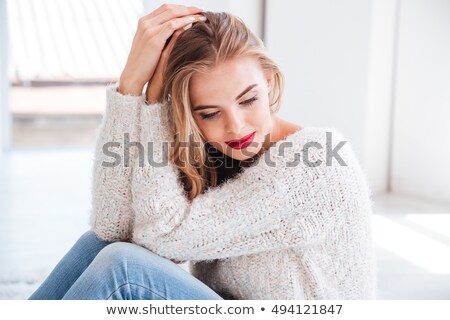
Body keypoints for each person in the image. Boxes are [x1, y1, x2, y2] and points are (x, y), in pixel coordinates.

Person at [29, 4, 376, 300]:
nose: (237, 128)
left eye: (249, 99)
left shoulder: (317, 161)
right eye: (209, 113)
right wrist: (130, 88)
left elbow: (162, 238)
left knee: (123, 269)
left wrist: (151, 105)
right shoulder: (210, 153)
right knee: (98, 247)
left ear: (268, 81)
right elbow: (111, 228)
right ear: (187, 112)